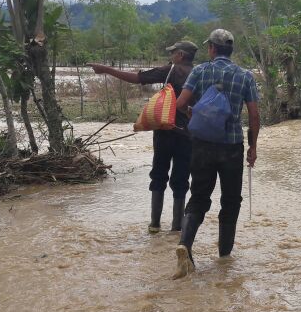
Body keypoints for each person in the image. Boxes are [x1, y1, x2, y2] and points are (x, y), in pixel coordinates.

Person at [171, 29, 260, 279]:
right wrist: (253, 147)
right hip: (232, 147)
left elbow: (179, 104)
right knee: (231, 201)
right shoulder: (245, 76)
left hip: (201, 145)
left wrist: (194, 112)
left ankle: (185, 246)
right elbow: (253, 115)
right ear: (230, 50)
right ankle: (224, 259)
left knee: (198, 197)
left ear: (211, 49)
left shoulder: (199, 71)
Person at [88, 41, 198, 233]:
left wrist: (106, 69)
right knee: (181, 180)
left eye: (173, 53)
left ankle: (154, 225)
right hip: (188, 135)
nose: (171, 56)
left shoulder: (170, 70)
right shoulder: (200, 73)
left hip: (164, 132)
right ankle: (177, 228)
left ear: (180, 54)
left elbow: (137, 78)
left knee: (158, 175)